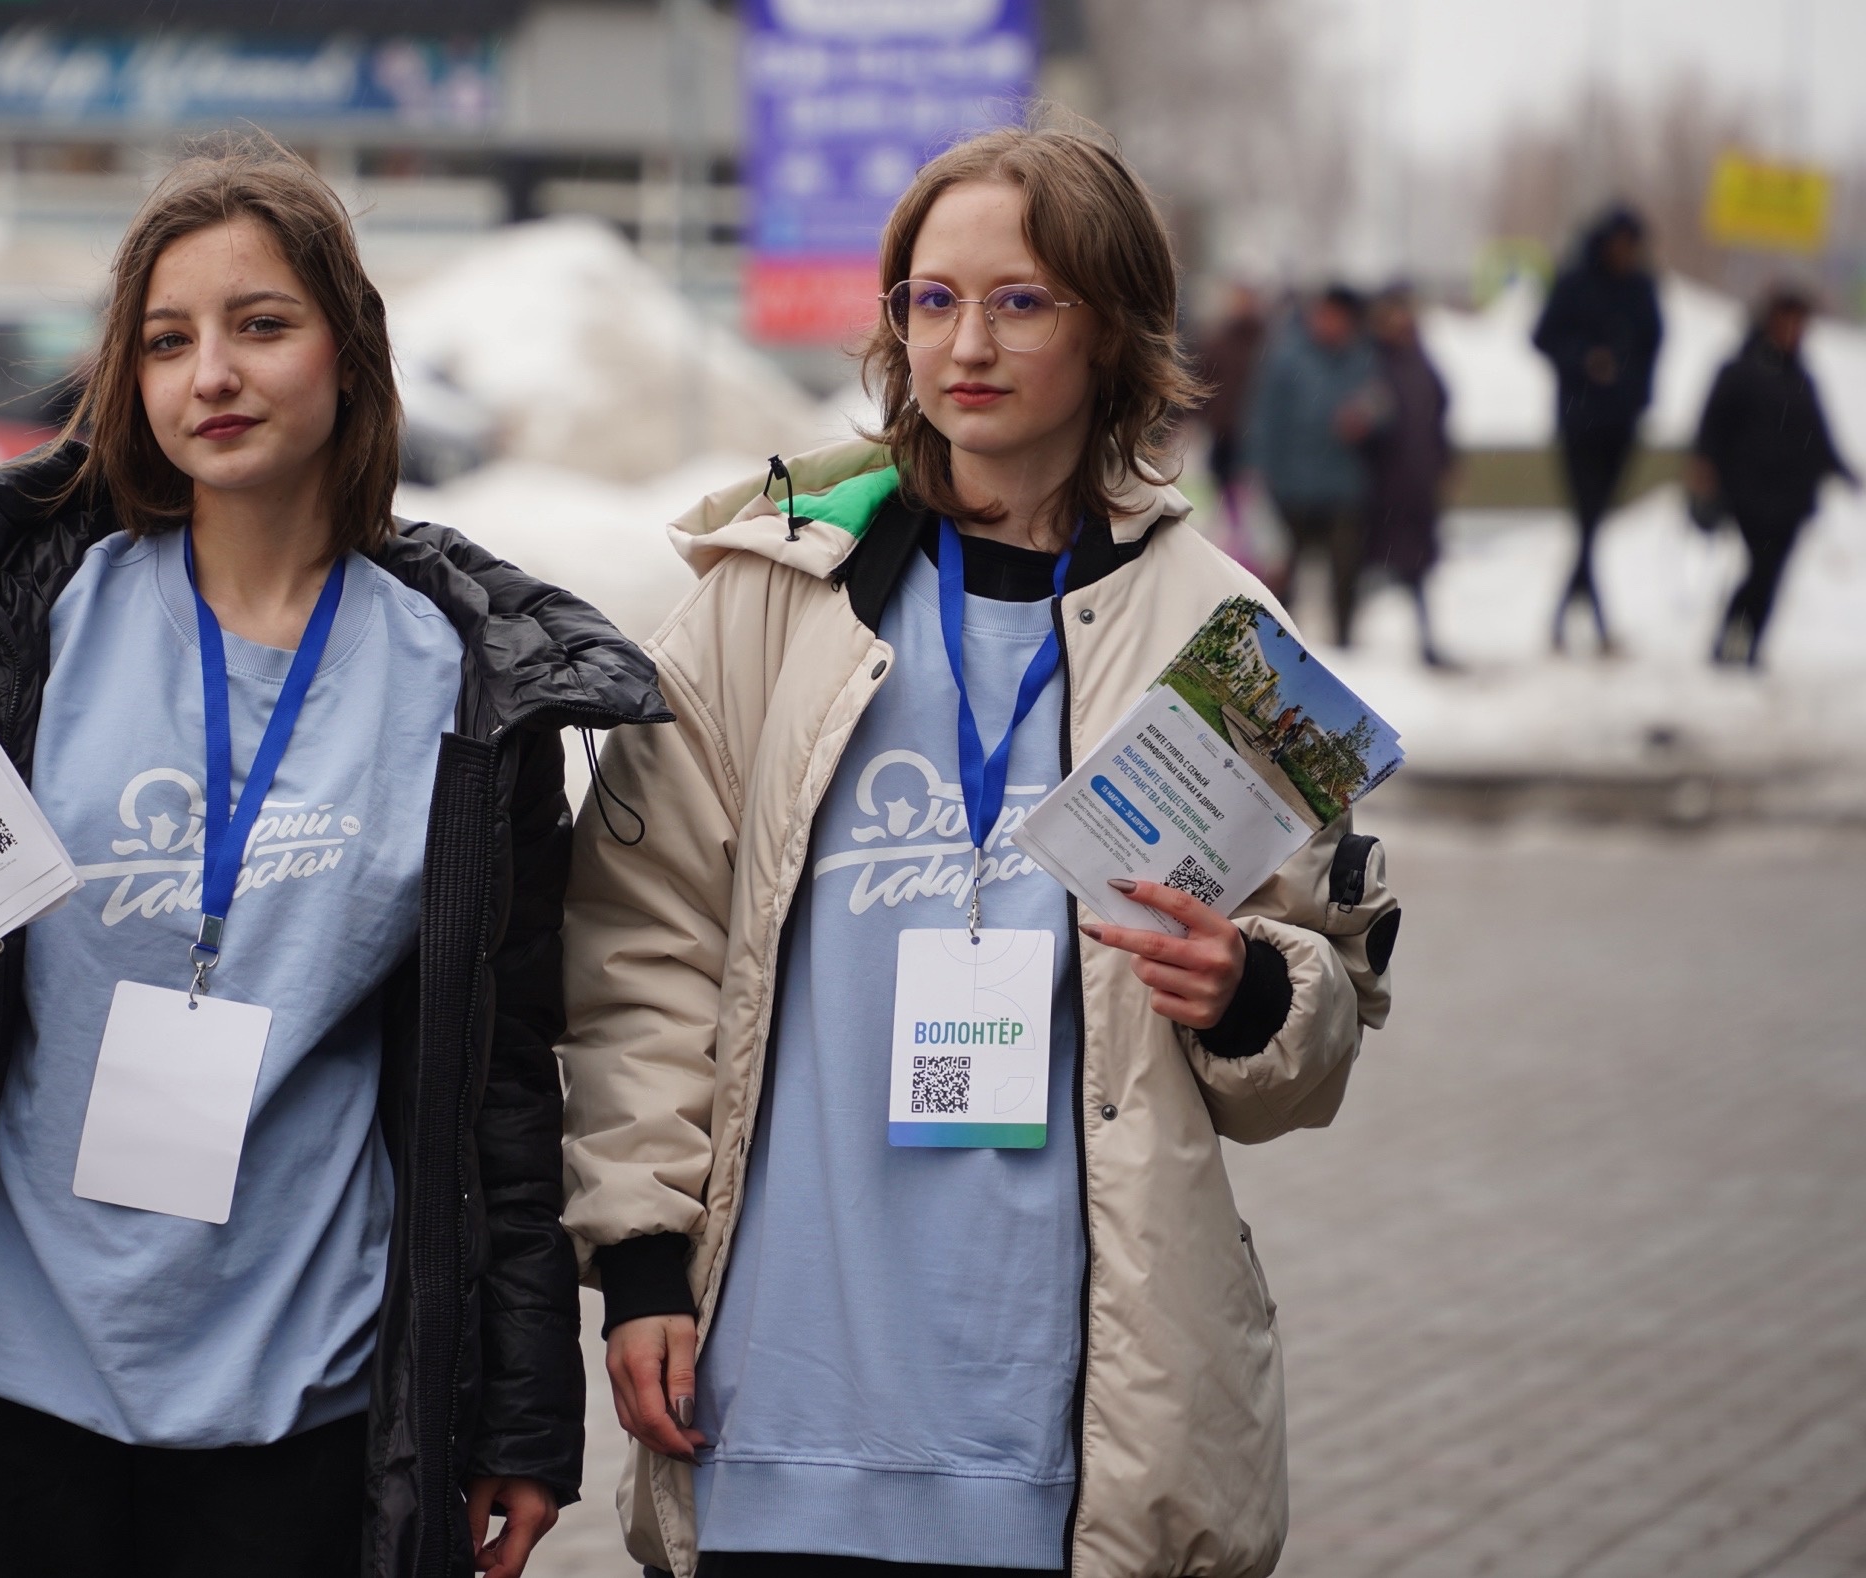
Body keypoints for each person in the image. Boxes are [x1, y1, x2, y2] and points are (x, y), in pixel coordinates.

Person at [0, 139, 665, 1578]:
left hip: (313, 1394)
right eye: (167, 341)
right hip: (7, 1380)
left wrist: (522, 1414)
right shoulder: (27, 626)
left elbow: (501, 1083)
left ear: (351, 353)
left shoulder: (471, 681)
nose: (210, 372)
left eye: (260, 325)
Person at [560, 124, 1402, 1578]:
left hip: (1070, 1443)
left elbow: (1318, 1015)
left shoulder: (1222, 635)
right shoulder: (770, 595)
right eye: (929, 299)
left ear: (1115, 327)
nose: (967, 343)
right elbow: (641, 948)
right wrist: (641, 1258)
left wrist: (1257, 990)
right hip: (775, 1411)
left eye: (1021, 300)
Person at [1692, 287, 1855, 666]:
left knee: (1774, 575)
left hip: (1794, 496)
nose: (1794, 331)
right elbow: (1712, 426)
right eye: (1787, 321)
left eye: (1801, 323)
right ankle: (1729, 635)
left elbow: (1818, 435)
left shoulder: (1802, 379)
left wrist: (1844, 472)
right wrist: (1705, 468)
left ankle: (1751, 645)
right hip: (1749, 492)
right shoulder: (1739, 371)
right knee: (1761, 568)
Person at [1532, 204, 1663, 654]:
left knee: (1593, 522)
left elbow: (1654, 345)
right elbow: (1542, 336)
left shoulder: (1642, 288)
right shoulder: (1574, 284)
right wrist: (1584, 358)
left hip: (1623, 422)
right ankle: (1593, 622)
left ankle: (1566, 614)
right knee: (1588, 518)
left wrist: (1639, 391)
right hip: (1579, 420)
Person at [1244, 284, 1381, 646]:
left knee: (1346, 569)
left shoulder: (1363, 357)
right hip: (1292, 486)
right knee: (1284, 574)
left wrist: (1368, 418)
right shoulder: (1287, 357)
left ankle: (1345, 641)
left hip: (1343, 485)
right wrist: (1257, 472)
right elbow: (1264, 419)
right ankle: (1280, 642)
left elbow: (1384, 403)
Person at [1365, 284, 1455, 668]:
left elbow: (1440, 415)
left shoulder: (1422, 361)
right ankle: (1351, 650)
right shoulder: (1369, 362)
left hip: (1418, 484)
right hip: (1380, 488)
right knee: (1368, 568)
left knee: (1418, 569)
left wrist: (1446, 461)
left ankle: (1425, 642)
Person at [1192, 278, 1271, 534]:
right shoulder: (1217, 340)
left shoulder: (1268, 341)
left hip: (1257, 435)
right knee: (1221, 498)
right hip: (1223, 431)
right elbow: (1201, 382)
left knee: (1252, 504)